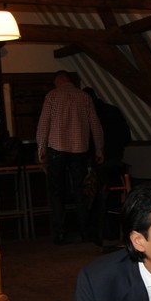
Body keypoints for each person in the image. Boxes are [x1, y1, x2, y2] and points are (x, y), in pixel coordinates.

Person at [37, 71, 104, 244]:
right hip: (80, 150)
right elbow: (95, 125)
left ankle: (59, 234)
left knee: (57, 193)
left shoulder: (52, 96)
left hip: (56, 149)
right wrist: (99, 150)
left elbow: (43, 124)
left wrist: (41, 149)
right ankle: (85, 233)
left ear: (58, 81)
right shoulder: (84, 97)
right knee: (81, 192)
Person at [83, 86, 131, 243]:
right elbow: (126, 135)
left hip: (98, 161)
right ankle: (113, 231)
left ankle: (99, 233)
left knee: (97, 199)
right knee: (114, 198)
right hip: (116, 160)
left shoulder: (89, 115)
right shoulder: (112, 110)